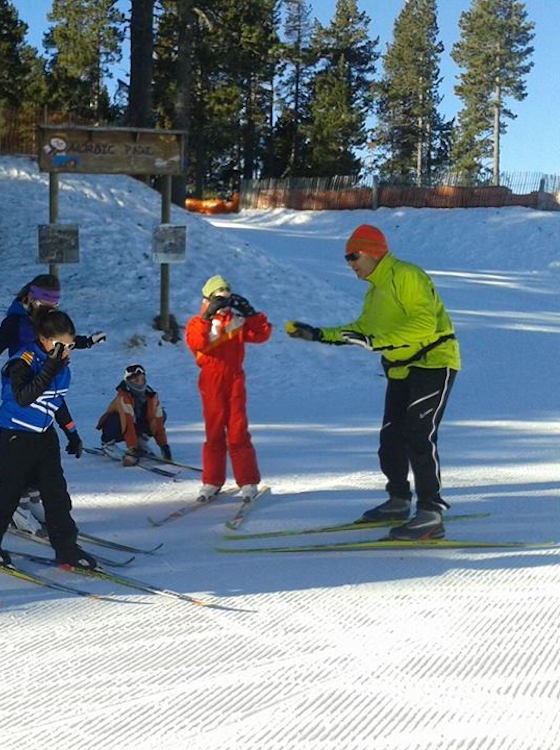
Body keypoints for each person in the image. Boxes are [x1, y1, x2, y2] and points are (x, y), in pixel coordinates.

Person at [286, 224, 461, 540]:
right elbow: (362, 329)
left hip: (434, 363)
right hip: (400, 368)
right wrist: (318, 334)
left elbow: (424, 323)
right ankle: (398, 500)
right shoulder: (375, 291)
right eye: (347, 258)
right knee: (390, 438)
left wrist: (378, 340)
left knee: (419, 435)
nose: (350, 264)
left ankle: (431, 514)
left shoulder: (406, 275)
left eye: (353, 256)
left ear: (371, 252)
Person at [0, 273, 104, 534]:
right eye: (48, 306)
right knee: (19, 456)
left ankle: (32, 501)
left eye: (55, 307)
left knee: (42, 451)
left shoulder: (44, 318)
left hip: (47, 375)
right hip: (22, 383)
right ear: (32, 299)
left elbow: (59, 339)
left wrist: (86, 342)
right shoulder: (14, 322)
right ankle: (17, 508)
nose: (51, 311)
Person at [0, 308, 97, 570]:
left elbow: (55, 400)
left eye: (70, 345)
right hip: (16, 438)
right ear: (44, 339)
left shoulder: (60, 365)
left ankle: (67, 549)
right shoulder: (22, 362)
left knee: (57, 495)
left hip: (44, 437)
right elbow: (24, 397)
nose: (67, 351)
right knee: (7, 495)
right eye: (61, 345)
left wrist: (71, 432)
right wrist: (50, 367)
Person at [185, 274, 272, 502]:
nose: (223, 303)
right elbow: (197, 342)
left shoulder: (236, 321)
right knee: (214, 431)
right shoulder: (198, 322)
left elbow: (262, 334)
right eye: (218, 298)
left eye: (226, 297)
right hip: (211, 379)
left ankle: (248, 481)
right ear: (208, 298)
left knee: (237, 430)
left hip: (234, 378)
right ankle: (212, 481)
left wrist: (251, 313)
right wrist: (207, 316)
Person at [96, 363, 172, 466]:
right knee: (115, 418)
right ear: (128, 382)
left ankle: (141, 442)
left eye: (142, 379)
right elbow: (127, 424)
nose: (140, 383)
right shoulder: (124, 397)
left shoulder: (151, 395)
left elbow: (157, 422)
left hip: (135, 426)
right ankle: (108, 445)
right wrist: (132, 449)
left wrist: (164, 446)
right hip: (119, 428)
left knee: (161, 414)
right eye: (136, 380)